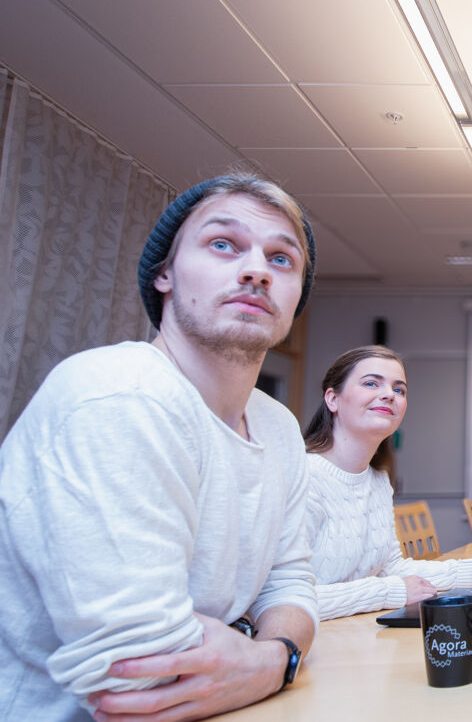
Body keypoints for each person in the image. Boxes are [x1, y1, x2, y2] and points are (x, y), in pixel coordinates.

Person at [0, 174, 321, 721]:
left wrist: (272, 653)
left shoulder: (277, 426)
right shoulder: (117, 394)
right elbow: (136, 680)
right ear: (165, 274)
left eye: (281, 259)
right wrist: (275, 662)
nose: (256, 270)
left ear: (295, 301)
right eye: (223, 244)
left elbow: (291, 585)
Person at [303, 345, 472, 620]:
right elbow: (283, 600)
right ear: (332, 399)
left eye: (399, 389)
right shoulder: (301, 476)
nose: (389, 394)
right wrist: (391, 591)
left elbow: (391, 567)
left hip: (355, 635)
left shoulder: (377, 481)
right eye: (371, 383)